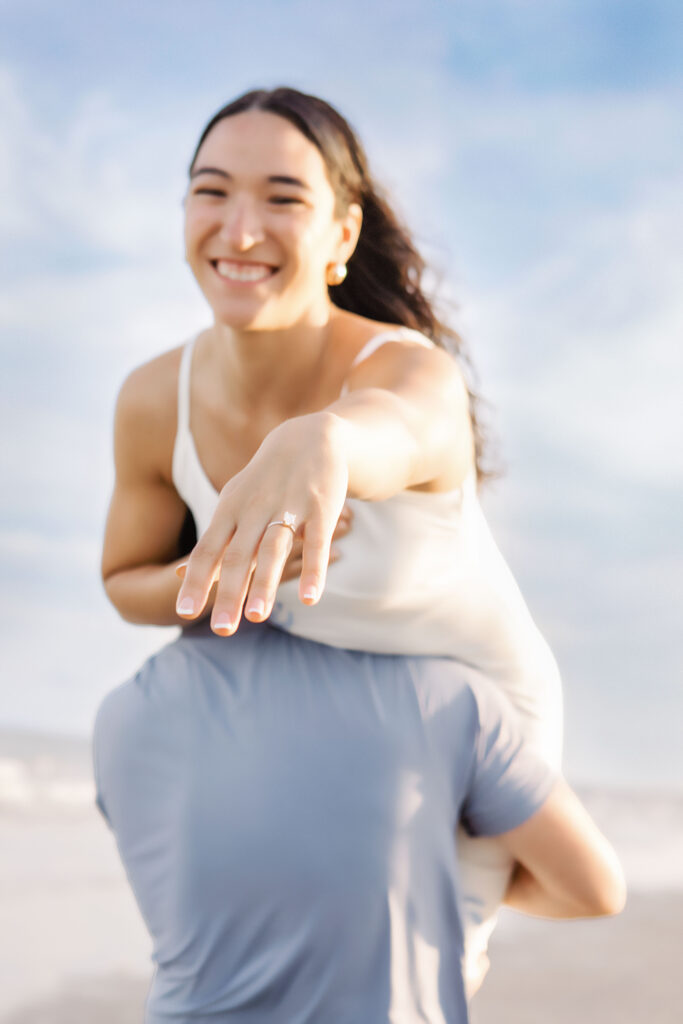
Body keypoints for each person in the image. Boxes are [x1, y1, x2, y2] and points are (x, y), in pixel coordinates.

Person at [94, 87, 625, 1023]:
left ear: (342, 236)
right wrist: (218, 575)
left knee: (415, 976)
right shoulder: (151, 398)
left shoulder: (408, 370)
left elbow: (393, 425)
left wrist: (327, 443)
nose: (240, 226)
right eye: (211, 192)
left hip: (466, 705)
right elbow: (124, 581)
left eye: (283, 198)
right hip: (316, 699)